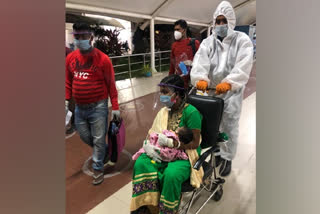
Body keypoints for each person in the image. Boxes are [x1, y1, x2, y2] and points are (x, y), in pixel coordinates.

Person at [190, 1, 254, 177]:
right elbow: (199, 62)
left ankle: (227, 158)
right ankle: (216, 154)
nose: (220, 25)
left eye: (223, 21)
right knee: (212, 125)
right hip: (211, 91)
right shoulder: (208, 42)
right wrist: (200, 78)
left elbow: (243, 65)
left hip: (231, 93)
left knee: (229, 126)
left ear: (231, 20)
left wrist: (230, 82)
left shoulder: (242, 41)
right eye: (217, 21)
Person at [130, 75, 203, 214]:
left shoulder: (191, 112)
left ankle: (167, 210)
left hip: (185, 154)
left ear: (177, 94)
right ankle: (147, 206)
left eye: (165, 92)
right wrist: (147, 146)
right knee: (141, 163)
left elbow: (194, 143)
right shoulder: (164, 112)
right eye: (161, 92)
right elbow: (152, 134)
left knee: (171, 174)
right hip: (162, 150)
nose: (161, 96)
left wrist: (173, 144)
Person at [65, 22, 120, 185]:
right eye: (77, 37)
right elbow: (68, 82)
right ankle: (103, 151)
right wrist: (66, 101)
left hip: (98, 106)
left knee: (97, 139)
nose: (80, 39)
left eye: (83, 36)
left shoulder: (103, 59)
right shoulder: (70, 58)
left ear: (91, 37)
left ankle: (98, 168)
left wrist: (115, 106)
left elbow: (111, 84)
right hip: (80, 109)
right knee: (84, 135)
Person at [169, 20, 200, 89]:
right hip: (179, 80)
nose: (175, 32)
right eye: (174, 30)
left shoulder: (194, 43)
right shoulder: (174, 45)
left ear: (184, 30)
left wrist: (191, 64)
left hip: (192, 79)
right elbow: (172, 62)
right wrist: (170, 78)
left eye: (178, 29)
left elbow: (201, 60)